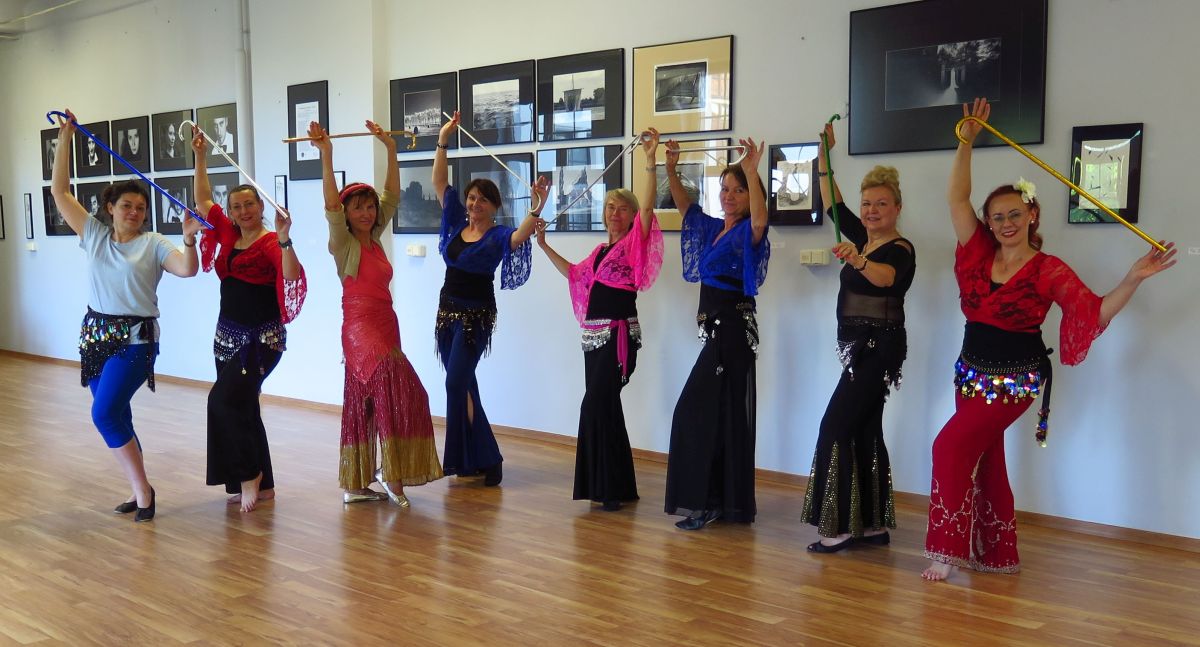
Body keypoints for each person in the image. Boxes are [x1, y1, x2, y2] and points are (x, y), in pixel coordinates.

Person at [922, 98, 1177, 580]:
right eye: (997, 217)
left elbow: (1093, 311)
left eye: (1014, 214)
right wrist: (966, 143)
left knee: (948, 447)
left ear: (1032, 214)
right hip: (970, 374)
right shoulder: (976, 252)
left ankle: (945, 552)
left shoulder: (1048, 270)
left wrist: (1133, 278)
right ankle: (996, 554)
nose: (1006, 223)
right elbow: (956, 199)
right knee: (986, 458)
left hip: (1015, 381)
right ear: (989, 222)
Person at [49, 109, 201, 521]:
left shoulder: (154, 243)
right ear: (110, 208)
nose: (134, 212)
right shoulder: (94, 235)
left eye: (140, 207)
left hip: (136, 342)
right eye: (127, 205)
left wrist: (189, 241)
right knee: (117, 414)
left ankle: (144, 493)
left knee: (103, 414)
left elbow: (187, 269)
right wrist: (65, 138)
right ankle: (140, 488)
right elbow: (60, 192)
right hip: (96, 339)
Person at [307, 119, 444, 505]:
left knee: (365, 401)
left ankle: (356, 485)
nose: (367, 213)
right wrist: (327, 153)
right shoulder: (343, 243)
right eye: (358, 208)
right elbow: (331, 206)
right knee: (405, 391)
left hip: (385, 323)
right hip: (360, 328)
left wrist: (391, 149)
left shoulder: (375, 239)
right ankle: (391, 474)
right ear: (347, 214)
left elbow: (392, 196)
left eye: (369, 207)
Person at [535, 129, 665, 511]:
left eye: (622, 208)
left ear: (631, 215)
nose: (615, 213)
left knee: (594, 405)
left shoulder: (633, 245)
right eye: (610, 207)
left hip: (617, 337)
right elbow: (574, 274)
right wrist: (543, 245)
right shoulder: (599, 251)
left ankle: (607, 487)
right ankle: (616, 487)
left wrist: (650, 161)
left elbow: (648, 211)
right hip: (593, 340)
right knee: (606, 407)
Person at [801, 122, 916, 552]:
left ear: (897, 207)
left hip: (878, 349)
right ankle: (870, 526)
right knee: (864, 428)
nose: (871, 210)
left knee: (835, 425)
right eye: (867, 203)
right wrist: (824, 156)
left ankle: (841, 528)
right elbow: (833, 202)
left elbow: (887, 278)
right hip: (860, 349)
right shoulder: (863, 239)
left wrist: (859, 261)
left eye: (881, 204)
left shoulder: (899, 248)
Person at [193, 131, 307, 513]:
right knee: (244, 406)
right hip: (226, 338)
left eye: (249, 205)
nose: (243, 212)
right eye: (237, 206)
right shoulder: (228, 234)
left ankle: (248, 475)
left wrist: (286, 238)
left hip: (261, 340)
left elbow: (290, 275)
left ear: (261, 207)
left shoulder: (271, 242)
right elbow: (203, 200)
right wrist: (200, 157)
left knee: (221, 401)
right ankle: (266, 485)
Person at [432, 111, 545, 486]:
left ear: (494, 206)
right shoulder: (455, 223)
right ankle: (477, 460)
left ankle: (489, 457)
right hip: (446, 315)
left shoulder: (497, 236)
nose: (474, 203)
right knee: (465, 384)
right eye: (471, 198)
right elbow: (439, 181)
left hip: (475, 318)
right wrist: (444, 138)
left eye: (482, 200)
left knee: (455, 384)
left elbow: (521, 235)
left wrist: (537, 206)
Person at [663, 136, 770, 530]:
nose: (729, 196)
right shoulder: (713, 230)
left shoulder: (746, 233)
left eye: (738, 190)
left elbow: (759, 223)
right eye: (725, 189)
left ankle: (708, 501)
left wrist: (752, 172)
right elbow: (686, 208)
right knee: (719, 416)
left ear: (750, 195)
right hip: (718, 334)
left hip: (733, 333)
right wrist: (671, 169)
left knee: (693, 412)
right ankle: (723, 502)